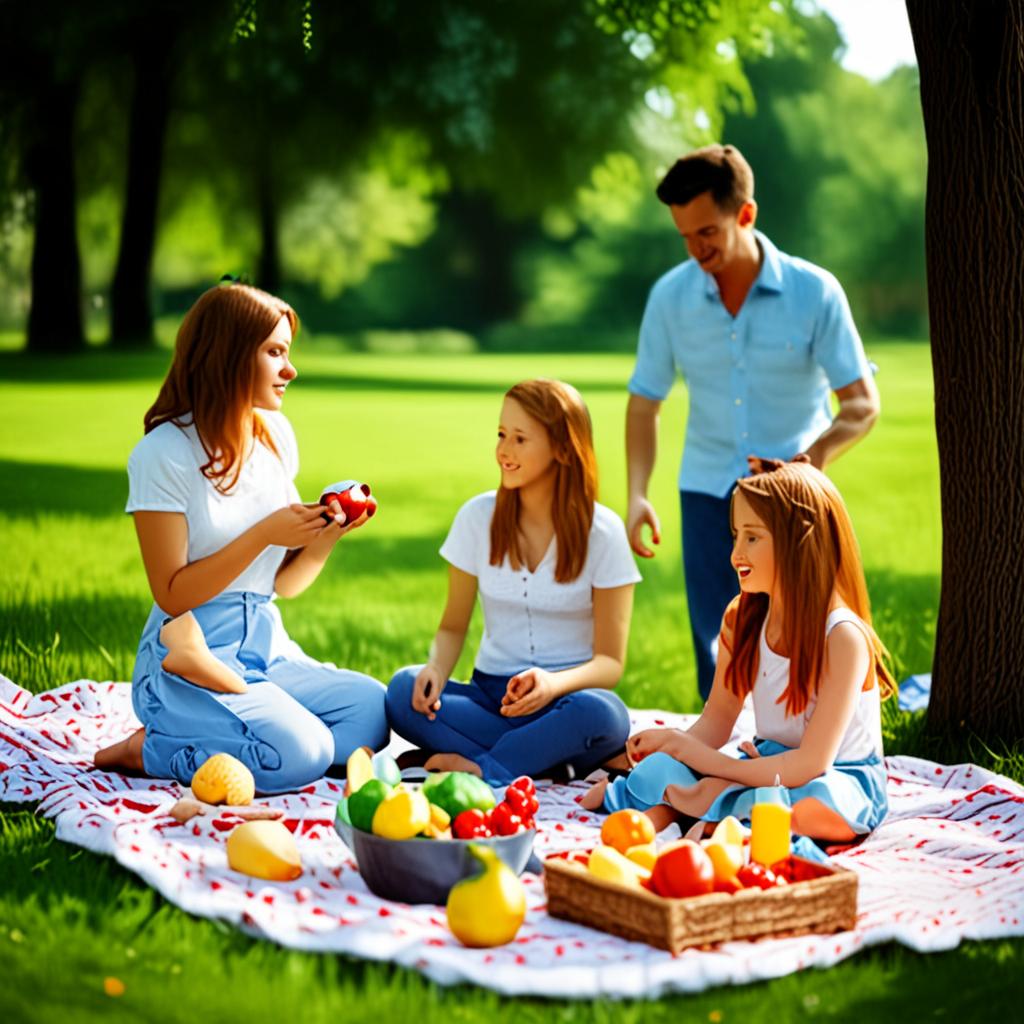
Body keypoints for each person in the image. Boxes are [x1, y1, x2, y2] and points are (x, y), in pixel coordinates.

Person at [94, 282, 389, 793]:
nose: (290, 370)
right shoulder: (163, 454)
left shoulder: (275, 436)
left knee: (371, 710)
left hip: (264, 646)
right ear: (228, 355)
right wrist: (262, 535)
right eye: (275, 353)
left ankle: (259, 724)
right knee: (306, 752)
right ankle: (153, 748)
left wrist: (326, 535)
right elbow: (171, 592)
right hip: (188, 650)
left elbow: (287, 584)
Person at [626, 143, 880, 700]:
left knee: (807, 636)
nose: (696, 249)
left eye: (708, 233)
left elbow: (862, 405)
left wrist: (808, 461)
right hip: (705, 488)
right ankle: (717, 764)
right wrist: (638, 492)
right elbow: (645, 401)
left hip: (796, 501)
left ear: (745, 214)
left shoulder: (815, 292)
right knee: (718, 645)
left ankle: (805, 752)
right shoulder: (670, 298)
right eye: (685, 237)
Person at [583, 460, 896, 843]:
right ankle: (708, 811)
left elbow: (813, 763)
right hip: (765, 762)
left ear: (798, 541)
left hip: (836, 777)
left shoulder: (843, 637)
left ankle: (694, 811)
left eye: (752, 538)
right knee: (664, 770)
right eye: (735, 536)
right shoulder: (742, 618)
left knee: (817, 806)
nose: (735, 556)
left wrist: (708, 764)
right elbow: (717, 720)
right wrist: (672, 747)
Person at [385, 379, 641, 785]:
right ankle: (545, 760)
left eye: (521, 439)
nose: (504, 451)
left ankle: (482, 767)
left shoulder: (604, 532)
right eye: (502, 435)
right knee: (402, 692)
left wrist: (552, 683)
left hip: (565, 699)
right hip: (489, 699)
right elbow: (453, 626)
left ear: (562, 448)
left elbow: (610, 663)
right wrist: (436, 666)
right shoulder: (476, 518)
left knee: (605, 715)